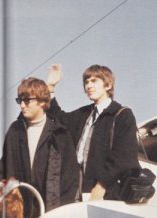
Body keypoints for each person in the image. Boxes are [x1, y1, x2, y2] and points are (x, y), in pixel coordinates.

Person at [47, 64, 140, 201]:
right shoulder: (83, 114)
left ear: (108, 85)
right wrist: (50, 87)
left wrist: (101, 186)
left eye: (94, 81)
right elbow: (58, 118)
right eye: (86, 82)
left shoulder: (122, 114)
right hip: (76, 187)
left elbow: (123, 156)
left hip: (106, 192)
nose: (88, 85)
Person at [0, 77, 79, 217]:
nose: (22, 105)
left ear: (42, 101)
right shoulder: (14, 131)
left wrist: (61, 212)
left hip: (52, 211)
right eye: (19, 101)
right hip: (22, 211)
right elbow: (5, 170)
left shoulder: (60, 134)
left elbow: (70, 180)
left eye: (27, 101)